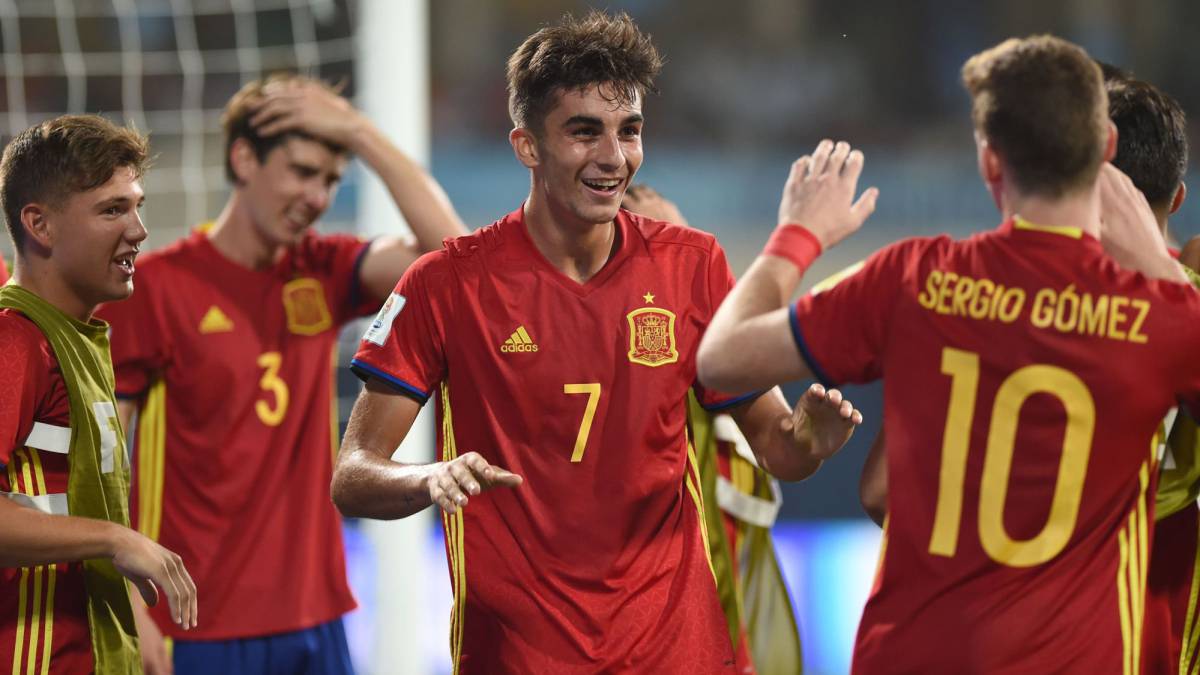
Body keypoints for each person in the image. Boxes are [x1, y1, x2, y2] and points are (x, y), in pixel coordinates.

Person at [332, 12, 861, 674]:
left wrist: (810, 439)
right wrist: (427, 476)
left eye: (629, 130)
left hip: (676, 653)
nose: (614, 156)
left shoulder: (692, 266)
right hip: (518, 657)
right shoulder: (447, 283)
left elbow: (779, 449)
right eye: (584, 132)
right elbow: (352, 475)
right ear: (527, 145)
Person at [697, 35, 1200, 672]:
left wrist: (798, 234)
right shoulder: (1160, 316)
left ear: (989, 161)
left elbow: (722, 358)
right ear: (1104, 148)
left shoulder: (913, 276)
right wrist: (1161, 268)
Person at [96, 75, 467, 674]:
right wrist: (131, 608)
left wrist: (361, 133)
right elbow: (100, 465)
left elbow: (458, 263)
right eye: (302, 171)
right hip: (195, 620)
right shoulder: (156, 289)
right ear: (244, 158)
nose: (317, 196)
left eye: (330, 179)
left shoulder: (322, 269)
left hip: (317, 617)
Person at [0, 115, 197, 674]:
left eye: (137, 207)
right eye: (112, 210)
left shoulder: (79, 338)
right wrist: (115, 539)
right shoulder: (15, 341)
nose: (139, 230)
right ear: (39, 224)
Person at [622, 184, 803, 675]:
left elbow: (790, 448)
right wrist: (800, 234)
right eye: (661, 244)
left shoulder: (724, 385)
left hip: (714, 644)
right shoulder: (619, 375)